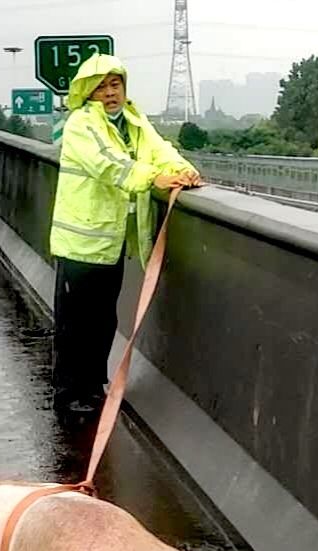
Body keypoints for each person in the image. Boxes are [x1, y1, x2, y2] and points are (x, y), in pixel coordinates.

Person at [48, 53, 202, 426]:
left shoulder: (133, 121)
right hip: (80, 242)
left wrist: (183, 170)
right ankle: (69, 394)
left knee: (103, 318)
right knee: (75, 322)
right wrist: (153, 179)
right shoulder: (81, 124)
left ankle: (93, 385)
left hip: (112, 241)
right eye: (101, 86)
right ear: (87, 92)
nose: (110, 92)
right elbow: (108, 164)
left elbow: (159, 149)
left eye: (115, 84)